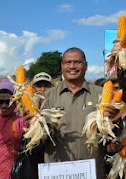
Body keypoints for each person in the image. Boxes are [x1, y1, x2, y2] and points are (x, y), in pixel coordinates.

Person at [29, 47, 119, 179]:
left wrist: (113, 120)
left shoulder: (100, 93)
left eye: (77, 62)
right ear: (62, 66)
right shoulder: (47, 96)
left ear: (86, 65)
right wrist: (32, 126)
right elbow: (40, 137)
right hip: (57, 171)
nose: (72, 66)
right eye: (68, 62)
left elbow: (115, 135)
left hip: (91, 171)